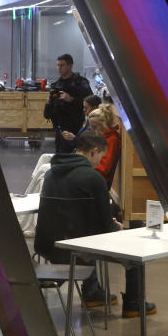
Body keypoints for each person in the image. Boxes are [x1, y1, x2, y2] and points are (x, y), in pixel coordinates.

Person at [37, 131, 155, 317]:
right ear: (94, 151)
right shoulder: (94, 179)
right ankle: (134, 304)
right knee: (135, 254)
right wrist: (118, 227)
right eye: (102, 156)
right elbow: (106, 228)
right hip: (80, 250)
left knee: (83, 235)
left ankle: (92, 292)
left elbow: (73, 214)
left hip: (48, 246)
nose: (101, 161)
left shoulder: (51, 173)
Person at [43, 54, 93, 154]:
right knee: (60, 158)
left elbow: (91, 103)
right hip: (61, 130)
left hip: (77, 128)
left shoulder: (81, 83)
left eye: (62, 65)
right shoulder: (56, 85)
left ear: (70, 66)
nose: (59, 68)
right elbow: (47, 114)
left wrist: (71, 99)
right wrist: (48, 103)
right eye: (58, 65)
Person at [86, 103, 121, 188]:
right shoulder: (103, 138)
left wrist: (85, 170)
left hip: (99, 181)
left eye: (94, 127)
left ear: (103, 125)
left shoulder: (111, 140)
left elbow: (103, 169)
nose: (93, 131)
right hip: (94, 175)